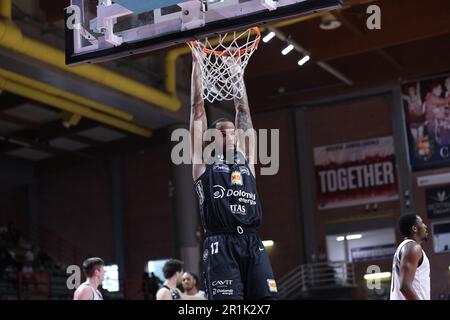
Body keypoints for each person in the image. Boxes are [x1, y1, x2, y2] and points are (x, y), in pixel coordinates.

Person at [189, 51, 278, 300]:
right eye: (222, 133)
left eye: (232, 132)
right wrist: (197, 65)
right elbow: (197, 110)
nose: (229, 135)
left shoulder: (246, 160)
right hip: (220, 244)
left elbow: (244, 112)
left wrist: (236, 72)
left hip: (252, 241)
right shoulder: (202, 163)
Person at [390, 213, 430, 300]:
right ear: (414, 229)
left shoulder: (405, 248)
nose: (425, 226)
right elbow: (405, 287)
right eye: (422, 222)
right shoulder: (413, 247)